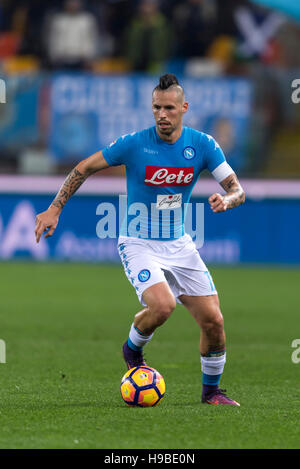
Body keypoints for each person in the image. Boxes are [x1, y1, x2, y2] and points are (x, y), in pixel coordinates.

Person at [35, 74, 245, 406]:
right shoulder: (134, 144)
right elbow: (83, 167)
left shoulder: (203, 145)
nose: (163, 115)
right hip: (138, 242)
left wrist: (228, 200)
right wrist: (53, 208)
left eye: (170, 108)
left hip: (179, 244)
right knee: (162, 306)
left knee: (214, 321)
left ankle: (212, 392)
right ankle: (132, 350)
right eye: (157, 108)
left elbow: (237, 190)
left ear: (184, 108)